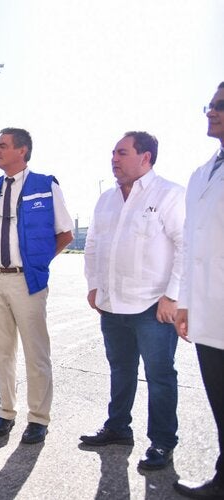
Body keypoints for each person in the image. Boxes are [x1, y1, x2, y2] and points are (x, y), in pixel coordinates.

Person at [80, 131, 185, 471]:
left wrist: (173, 296)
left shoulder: (169, 194)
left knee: (159, 375)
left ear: (145, 158)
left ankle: (162, 442)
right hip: (112, 306)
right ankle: (118, 428)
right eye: (112, 153)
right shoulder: (106, 200)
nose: (114, 159)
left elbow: (187, 245)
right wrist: (94, 284)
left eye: (122, 153)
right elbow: (93, 244)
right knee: (120, 369)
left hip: (152, 307)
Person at [0, 127, 73, 444]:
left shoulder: (45, 185)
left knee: (36, 353)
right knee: (2, 352)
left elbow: (65, 233)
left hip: (28, 281)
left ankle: (38, 418)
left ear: (22, 151)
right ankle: (6, 412)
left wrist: (38, 263)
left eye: (3, 145)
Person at [173, 83, 224, 498]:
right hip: (210, 311)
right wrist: (185, 304)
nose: (212, 112)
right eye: (210, 104)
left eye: (221, 106)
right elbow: (190, 244)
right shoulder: (199, 174)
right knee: (221, 403)